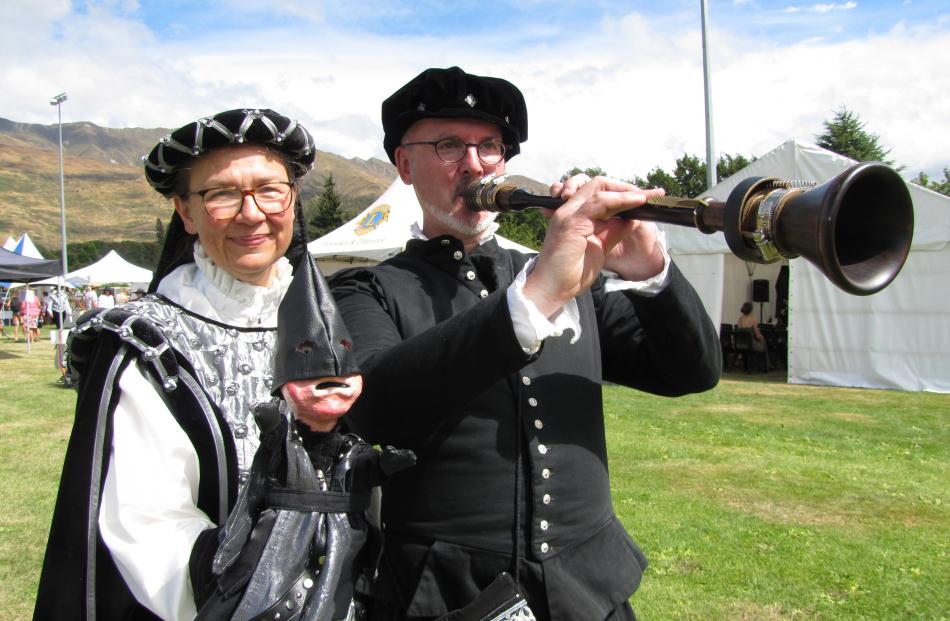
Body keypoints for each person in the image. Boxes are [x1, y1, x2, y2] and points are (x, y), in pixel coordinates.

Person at [329, 67, 722, 620]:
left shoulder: (569, 274)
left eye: (489, 145)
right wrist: (535, 296)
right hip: (446, 595)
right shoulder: (365, 287)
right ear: (404, 165)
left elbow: (691, 371)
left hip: (589, 589)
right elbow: (374, 410)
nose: (475, 163)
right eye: (448, 145)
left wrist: (649, 269)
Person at [34, 109, 368, 620]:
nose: (251, 213)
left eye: (269, 190)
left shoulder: (333, 324)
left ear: (292, 201)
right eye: (222, 194)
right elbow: (147, 524)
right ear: (186, 213)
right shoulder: (148, 342)